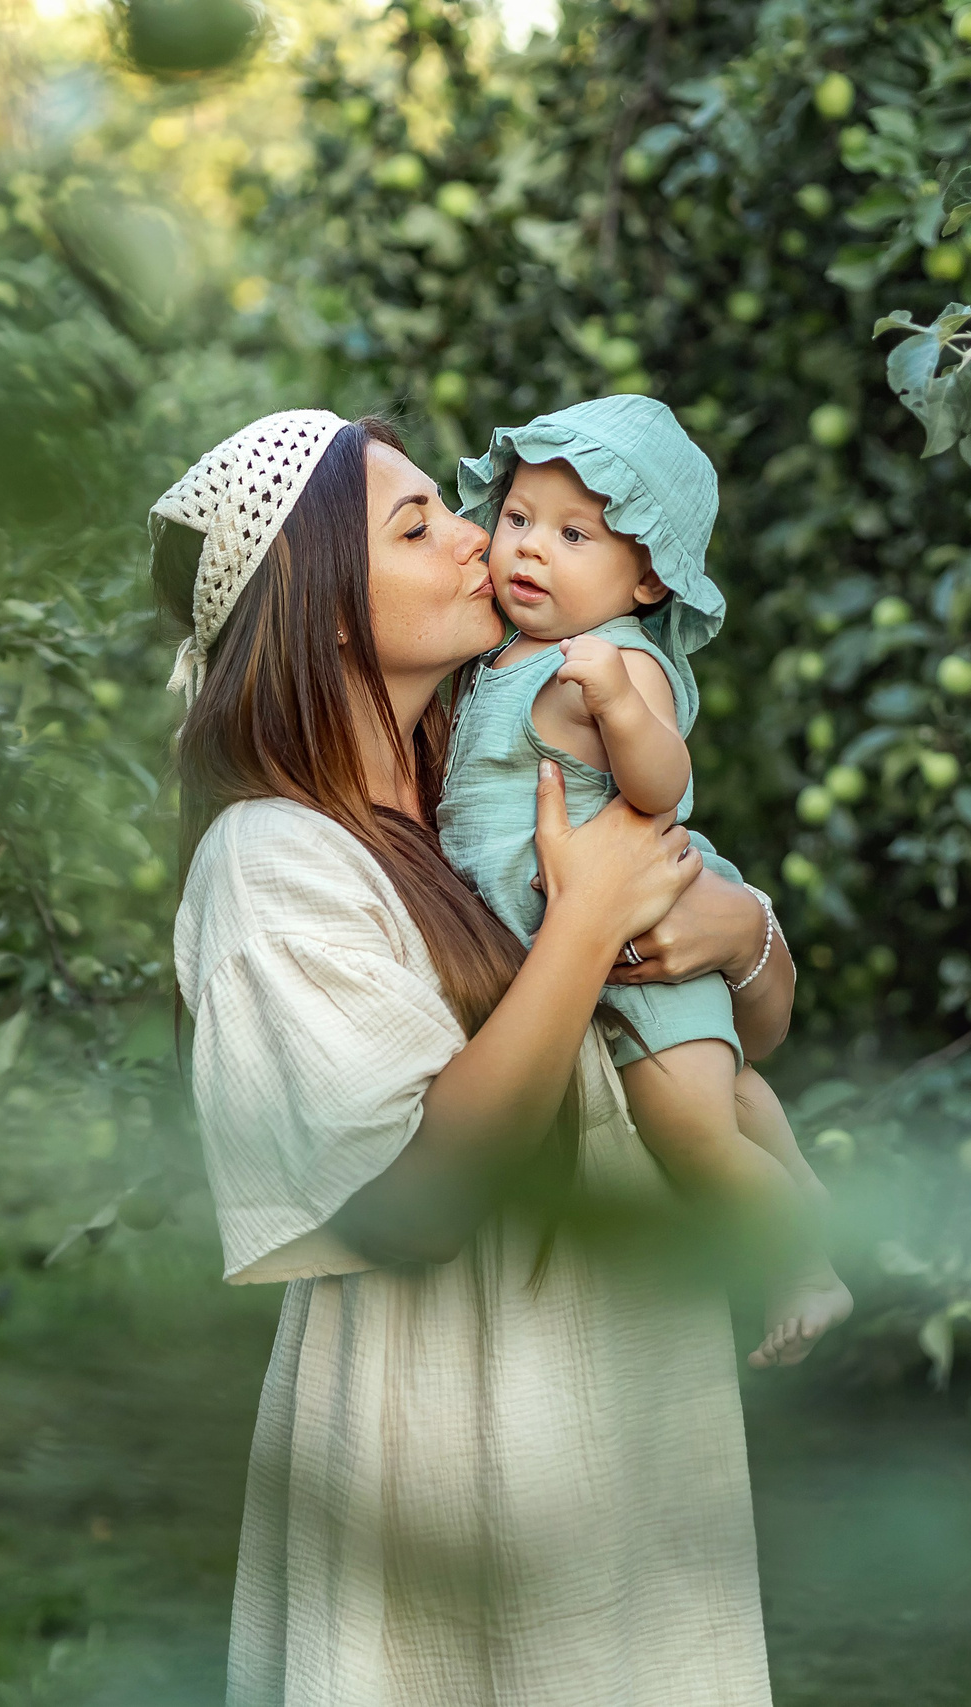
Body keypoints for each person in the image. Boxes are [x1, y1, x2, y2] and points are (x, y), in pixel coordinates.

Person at [155, 408, 790, 1706]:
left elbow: (723, 1042)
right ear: (326, 605)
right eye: (417, 523)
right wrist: (596, 920)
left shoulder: (487, 795)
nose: (476, 539)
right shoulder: (276, 860)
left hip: (623, 1363)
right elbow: (418, 1188)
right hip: (454, 1408)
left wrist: (748, 934)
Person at [438, 394, 851, 1367]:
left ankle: (801, 1265)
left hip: (643, 944)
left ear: (649, 582)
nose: (529, 549)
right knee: (728, 1099)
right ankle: (799, 1188)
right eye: (517, 519)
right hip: (580, 943)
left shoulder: (620, 663)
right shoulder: (501, 655)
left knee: (689, 1127)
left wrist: (619, 707)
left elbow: (666, 783)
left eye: (573, 534)